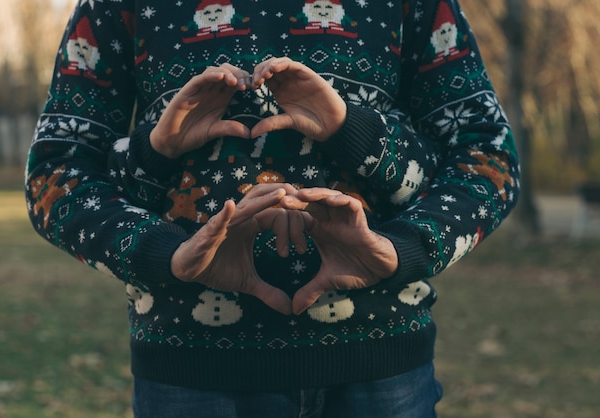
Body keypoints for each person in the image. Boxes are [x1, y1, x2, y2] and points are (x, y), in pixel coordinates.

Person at [25, 0, 520, 416]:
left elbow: (487, 157)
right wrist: (156, 167)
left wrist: (361, 146)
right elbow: (54, 174)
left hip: (383, 372)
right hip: (188, 377)